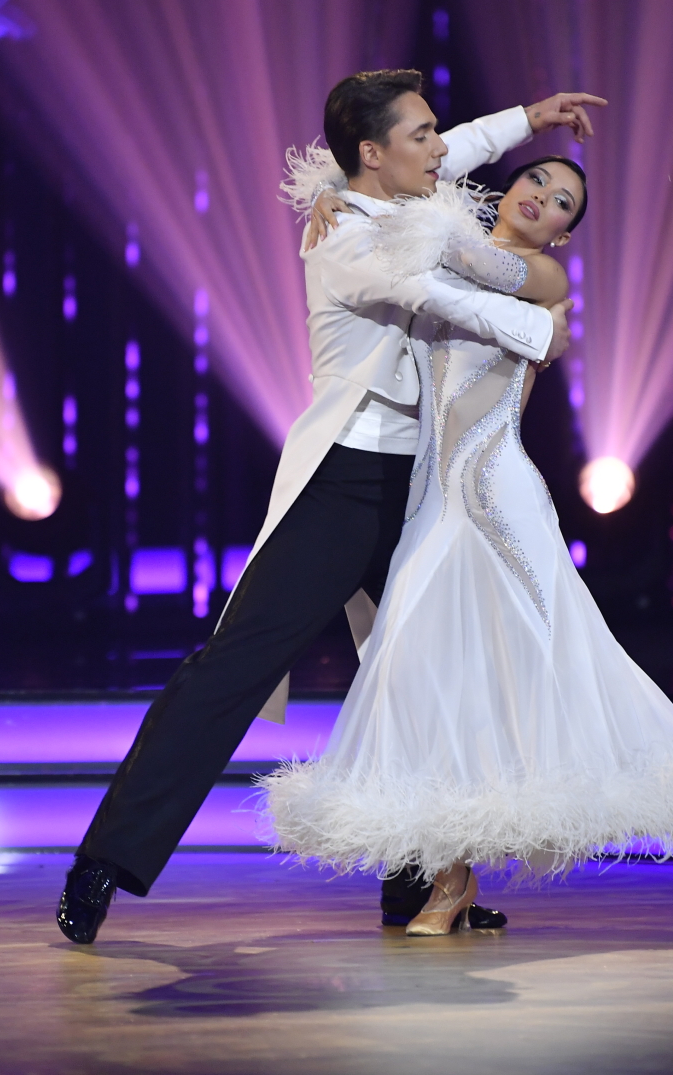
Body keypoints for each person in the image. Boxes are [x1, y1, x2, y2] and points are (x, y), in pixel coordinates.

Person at [56, 70, 603, 944]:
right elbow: (438, 294)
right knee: (234, 667)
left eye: (436, 133)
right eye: (421, 136)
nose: (441, 148)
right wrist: (544, 325)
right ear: (372, 154)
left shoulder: (406, 200)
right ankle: (105, 860)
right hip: (346, 480)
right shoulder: (345, 236)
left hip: (426, 483)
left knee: (425, 674)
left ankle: (422, 883)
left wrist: (526, 120)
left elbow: (455, 155)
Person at [258, 154, 673, 935]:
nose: (543, 199)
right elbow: (396, 187)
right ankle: (450, 875)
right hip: (433, 505)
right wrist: (334, 191)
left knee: (572, 668)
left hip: (500, 498)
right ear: (510, 185)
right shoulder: (442, 244)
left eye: (563, 202)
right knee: (420, 676)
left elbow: (457, 253)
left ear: (563, 233)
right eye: (538, 182)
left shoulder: (538, 279)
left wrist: (357, 204)